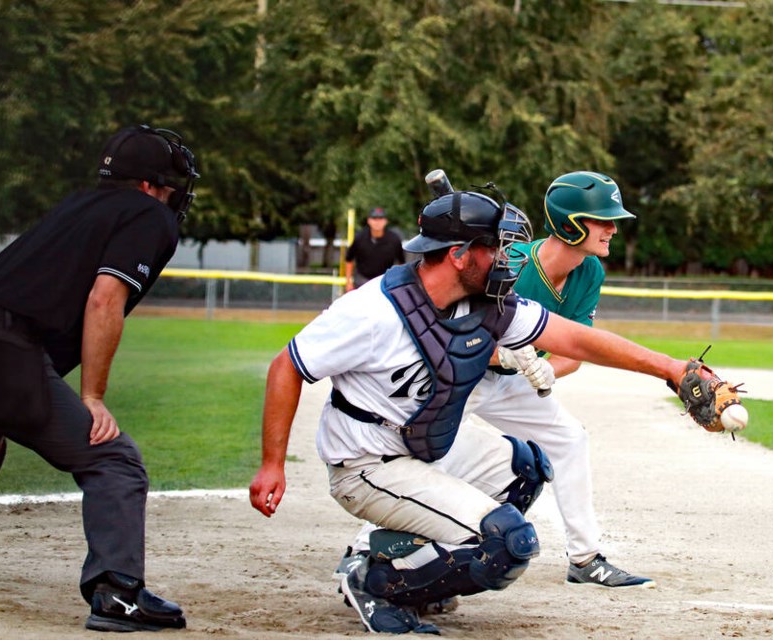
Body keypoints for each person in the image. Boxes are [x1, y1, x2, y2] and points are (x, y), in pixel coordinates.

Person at [249, 181, 713, 635]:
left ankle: (411, 566)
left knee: (526, 468)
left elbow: (574, 338)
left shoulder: (485, 302)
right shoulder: (371, 312)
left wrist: (670, 368)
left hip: (419, 444)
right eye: (492, 248)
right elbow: (286, 366)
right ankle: (376, 581)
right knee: (508, 544)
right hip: (368, 464)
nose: (503, 260)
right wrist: (273, 465)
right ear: (458, 254)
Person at [336, 171, 652, 592]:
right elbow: (446, 330)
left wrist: (544, 370)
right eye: (602, 220)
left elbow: (575, 349)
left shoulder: (589, 272)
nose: (612, 228)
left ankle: (586, 558)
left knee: (570, 439)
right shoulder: (511, 263)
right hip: (458, 374)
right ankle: (363, 551)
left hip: (509, 381)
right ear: (570, 222)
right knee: (431, 455)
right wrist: (500, 353)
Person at [0, 124, 198, 632]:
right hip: (4, 346)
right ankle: (118, 594)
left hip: (4, 341)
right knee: (114, 460)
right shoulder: (149, 215)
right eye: (170, 184)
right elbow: (104, 298)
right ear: (151, 185)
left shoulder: (77, 206)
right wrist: (93, 396)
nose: (174, 194)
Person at [344, 207, 405, 291]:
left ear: (386, 221)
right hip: (362, 280)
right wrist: (348, 282)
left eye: (380, 218)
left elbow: (401, 262)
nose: (377, 222)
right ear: (368, 220)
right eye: (374, 218)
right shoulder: (359, 238)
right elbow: (349, 259)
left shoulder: (394, 239)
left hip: (384, 281)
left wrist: (398, 282)